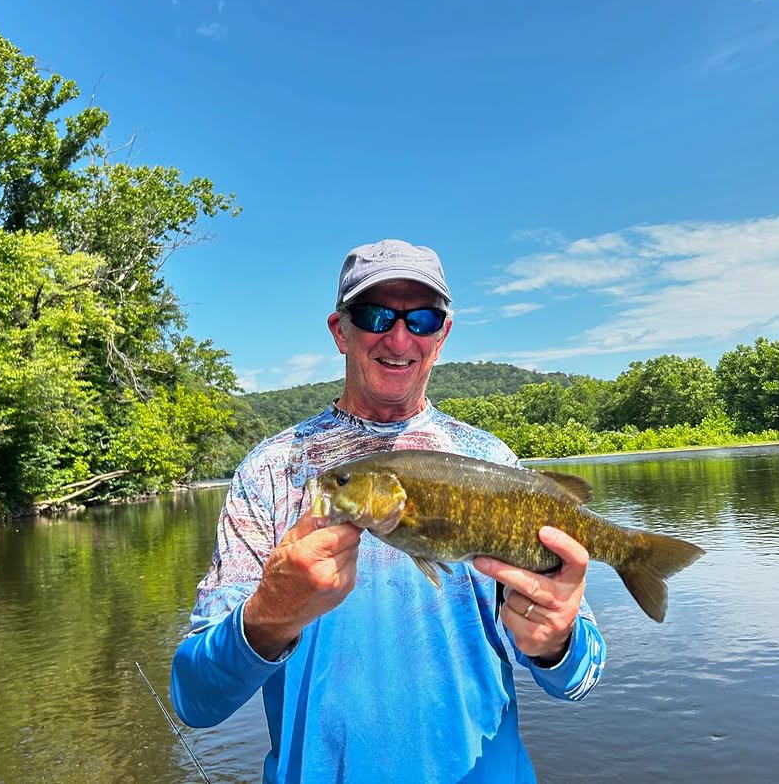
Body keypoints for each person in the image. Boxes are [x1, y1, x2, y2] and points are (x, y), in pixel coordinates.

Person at [170, 239, 606, 783]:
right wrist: (266, 617)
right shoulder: (275, 471)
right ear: (340, 330)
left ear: (442, 336)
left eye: (422, 318)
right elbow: (194, 700)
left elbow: (580, 678)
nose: (399, 337)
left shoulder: (490, 462)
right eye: (375, 314)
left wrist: (557, 642)